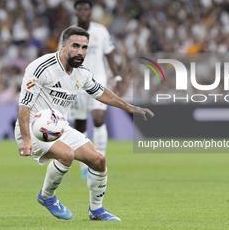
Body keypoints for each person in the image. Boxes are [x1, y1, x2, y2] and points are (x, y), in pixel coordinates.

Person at [15, 27, 153, 221]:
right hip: (32, 128)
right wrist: (26, 139)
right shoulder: (41, 67)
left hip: (58, 128)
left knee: (98, 160)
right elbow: (24, 105)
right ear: (63, 46)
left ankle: (96, 210)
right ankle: (47, 196)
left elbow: (101, 92)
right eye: (75, 46)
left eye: (84, 47)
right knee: (67, 154)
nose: (80, 51)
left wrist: (129, 107)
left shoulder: (82, 74)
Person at [58, 0, 122, 178]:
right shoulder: (68, 33)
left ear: (91, 11)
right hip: (76, 82)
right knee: (80, 124)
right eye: (80, 9)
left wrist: (117, 76)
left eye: (87, 9)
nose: (84, 12)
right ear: (76, 12)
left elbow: (109, 54)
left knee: (98, 118)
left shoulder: (101, 31)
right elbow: (61, 58)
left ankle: (100, 158)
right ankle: (84, 167)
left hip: (97, 80)